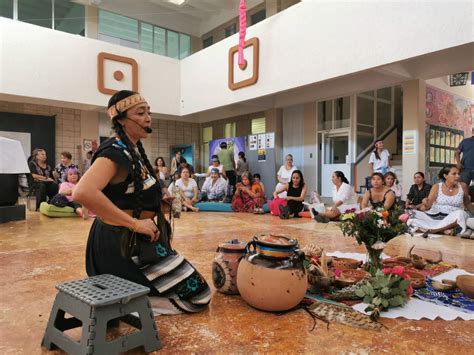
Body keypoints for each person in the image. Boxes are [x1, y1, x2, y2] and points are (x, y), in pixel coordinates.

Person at [73, 90, 210, 315]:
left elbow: (127, 194)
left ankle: (134, 299)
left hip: (140, 241)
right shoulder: (113, 152)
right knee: (198, 296)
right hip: (121, 245)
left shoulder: (133, 151)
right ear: (121, 120)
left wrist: (160, 204)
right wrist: (136, 224)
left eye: (149, 112)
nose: (148, 118)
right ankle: (127, 306)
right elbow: (83, 192)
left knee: (195, 291)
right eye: (141, 113)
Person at [407, 166, 474, 237]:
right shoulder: (436, 186)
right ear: (445, 176)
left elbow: (467, 203)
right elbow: (427, 206)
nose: (458, 176)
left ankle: (433, 230)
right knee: (411, 214)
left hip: (452, 219)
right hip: (435, 217)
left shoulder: (463, 186)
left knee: (461, 214)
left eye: (458, 174)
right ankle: (443, 230)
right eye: (454, 174)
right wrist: (425, 202)